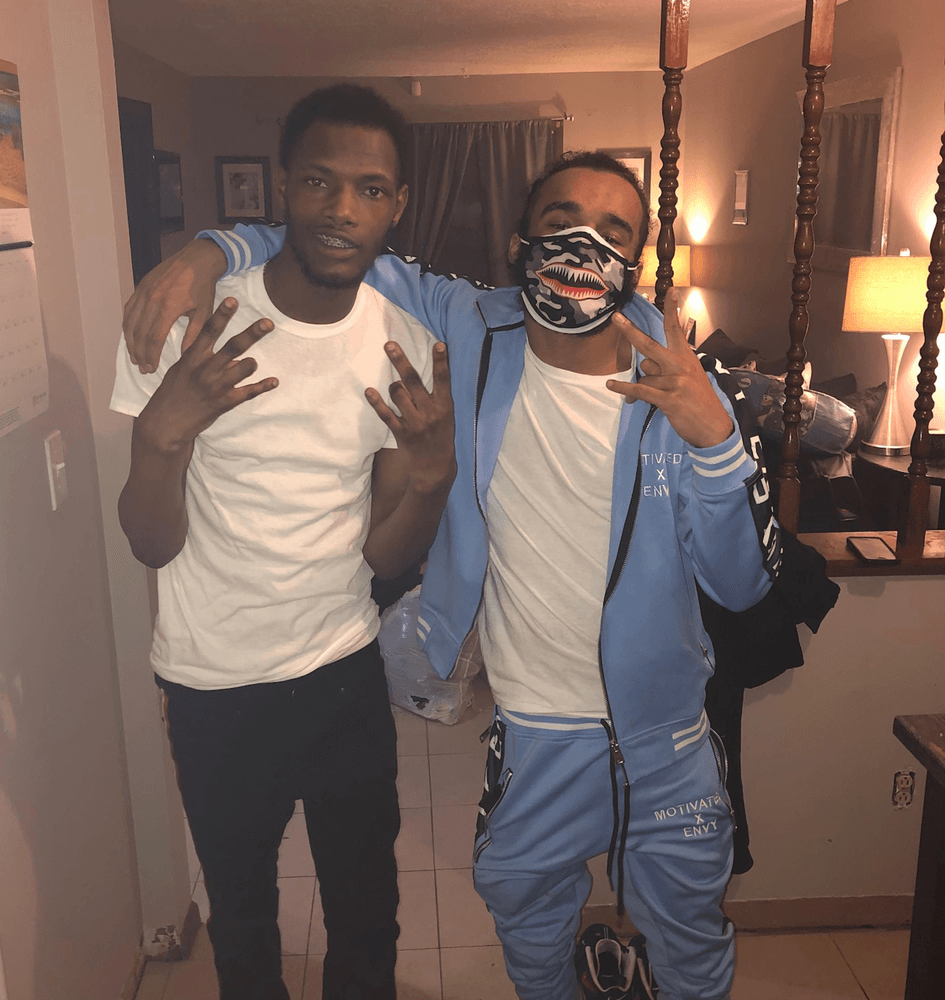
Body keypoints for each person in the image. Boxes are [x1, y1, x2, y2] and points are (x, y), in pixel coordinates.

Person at [125, 150, 782, 1000]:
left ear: (636, 260)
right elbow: (340, 239)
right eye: (560, 223)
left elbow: (743, 585)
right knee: (529, 927)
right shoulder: (470, 324)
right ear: (519, 243)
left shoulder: (685, 385)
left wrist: (714, 438)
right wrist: (211, 249)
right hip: (537, 727)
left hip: (670, 738)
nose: (583, 244)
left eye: (613, 231)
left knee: (691, 940)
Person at [111, 84, 457, 1000]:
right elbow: (150, 544)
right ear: (281, 187)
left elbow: (386, 558)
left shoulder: (405, 347)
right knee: (245, 931)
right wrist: (162, 435)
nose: (342, 209)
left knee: (367, 922)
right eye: (318, 181)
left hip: (343, 676)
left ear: (397, 204)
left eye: (370, 189)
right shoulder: (194, 323)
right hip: (213, 685)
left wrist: (432, 481)